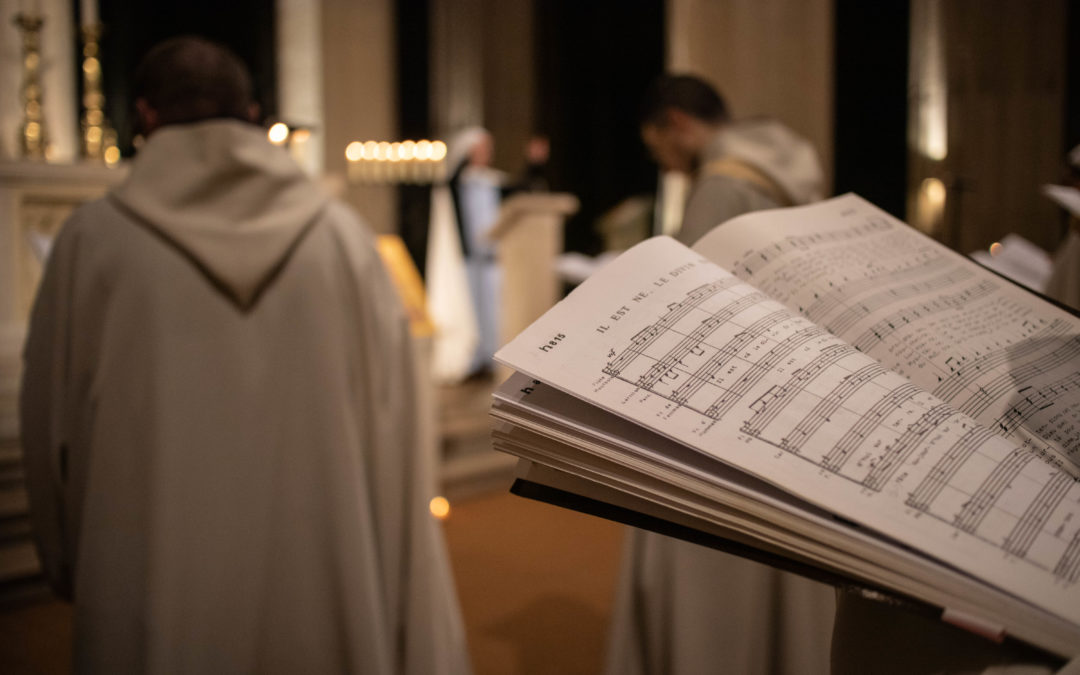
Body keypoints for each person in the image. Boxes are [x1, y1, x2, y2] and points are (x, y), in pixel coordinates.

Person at [20, 36, 471, 675]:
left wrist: (66, 557)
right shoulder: (341, 239)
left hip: (152, 579)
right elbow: (398, 425)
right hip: (327, 577)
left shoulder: (93, 242)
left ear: (144, 115)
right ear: (256, 114)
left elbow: (50, 425)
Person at [605, 73, 833, 675]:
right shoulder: (787, 170)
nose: (670, 166)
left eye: (661, 150)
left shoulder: (722, 187)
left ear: (677, 123)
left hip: (717, 408)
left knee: (715, 582)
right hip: (788, 393)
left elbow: (685, 312)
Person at [639, 73, 825, 245]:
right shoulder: (778, 152)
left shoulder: (718, 183)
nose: (666, 169)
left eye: (656, 150)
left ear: (677, 122)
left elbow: (684, 273)